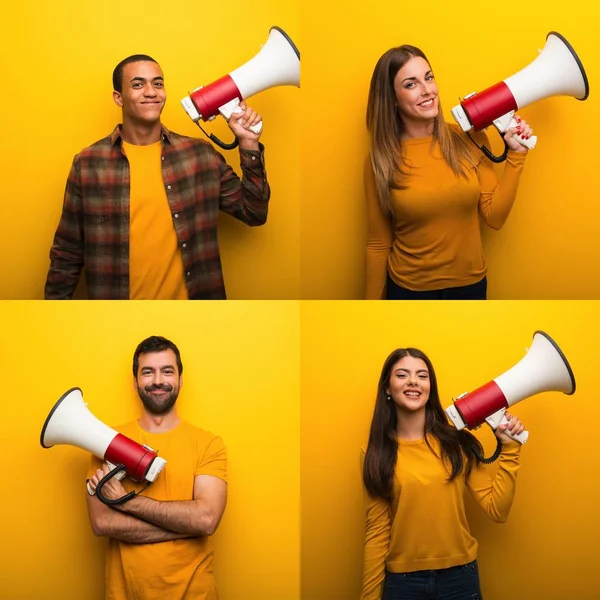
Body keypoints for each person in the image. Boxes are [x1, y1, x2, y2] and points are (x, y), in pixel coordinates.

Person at [45, 54, 270, 300]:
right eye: (138, 84)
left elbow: (254, 213)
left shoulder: (199, 155)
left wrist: (248, 144)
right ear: (118, 98)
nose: (151, 92)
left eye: (158, 83)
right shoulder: (88, 164)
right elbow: (67, 253)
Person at [365, 45, 533, 300]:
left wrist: (517, 155)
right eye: (411, 84)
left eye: (429, 77)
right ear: (392, 97)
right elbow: (378, 244)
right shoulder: (380, 159)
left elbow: (495, 217)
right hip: (407, 290)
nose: (427, 90)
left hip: (471, 286)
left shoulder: (469, 137)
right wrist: (371, 307)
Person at [361, 348, 525, 600]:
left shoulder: (457, 443)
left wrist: (511, 449)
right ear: (387, 388)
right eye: (402, 375)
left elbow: (497, 510)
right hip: (403, 583)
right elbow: (377, 531)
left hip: (459, 579)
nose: (413, 381)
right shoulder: (375, 453)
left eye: (422, 376)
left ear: (430, 387)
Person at [86, 336, 227, 600]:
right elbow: (102, 522)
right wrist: (187, 524)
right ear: (135, 381)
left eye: (167, 371)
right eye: (147, 372)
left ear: (180, 380)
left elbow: (207, 519)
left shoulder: (209, 444)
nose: (158, 381)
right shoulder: (104, 441)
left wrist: (124, 501)